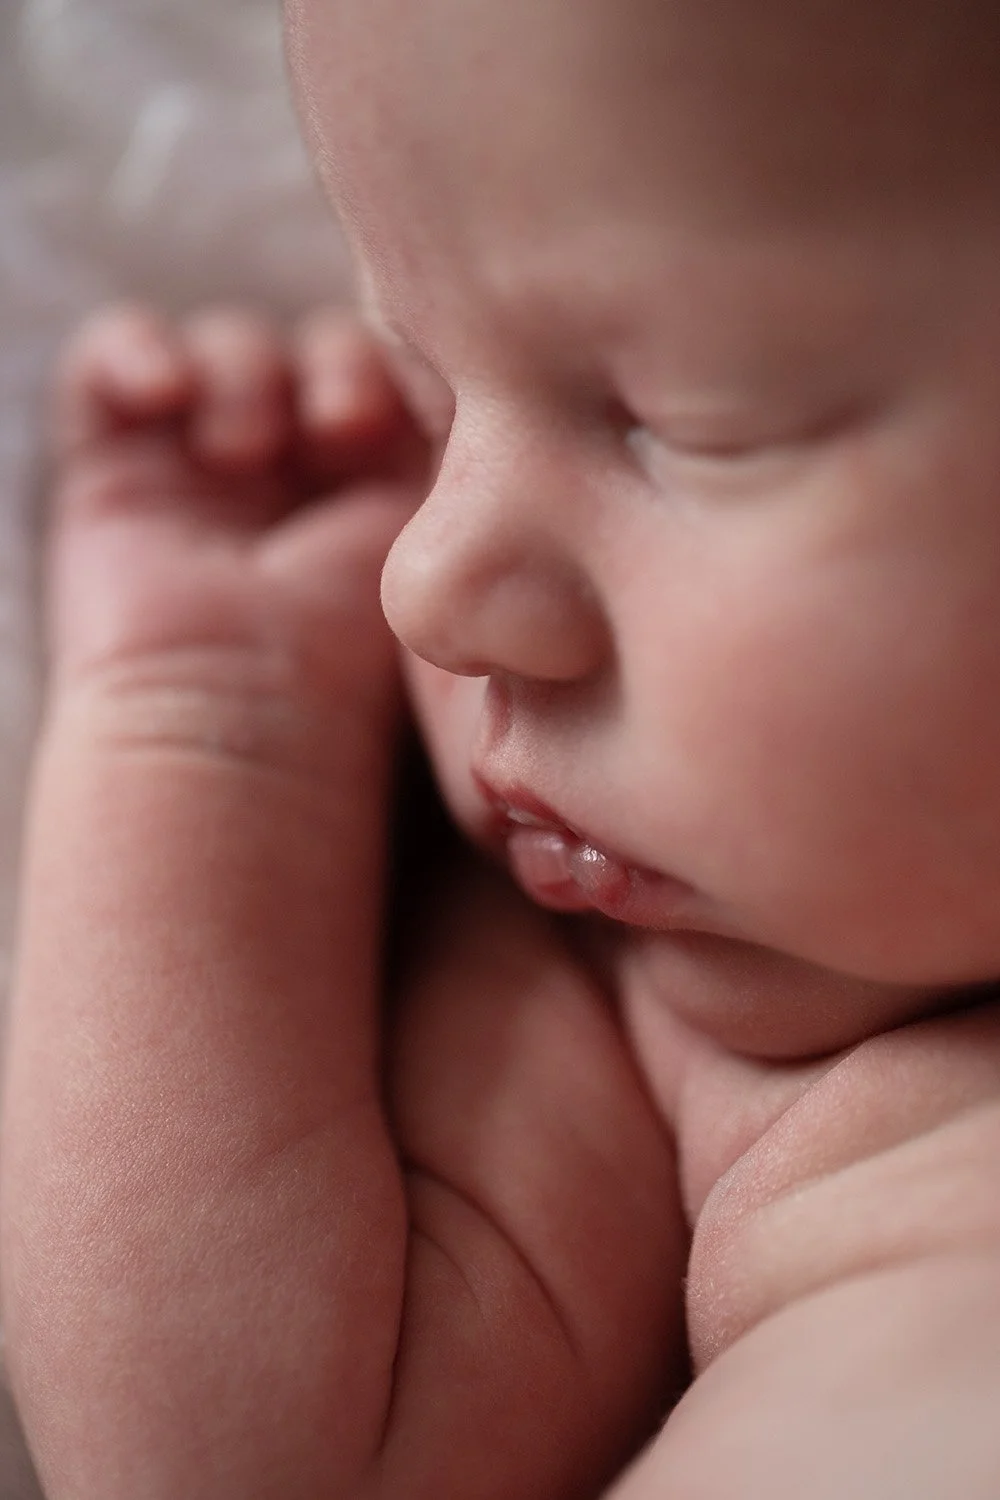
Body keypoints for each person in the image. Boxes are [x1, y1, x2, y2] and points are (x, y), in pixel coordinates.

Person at [4, 0, 1000, 1493]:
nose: (429, 585)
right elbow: (248, 1464)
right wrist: (205, 704)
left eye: (679, 424)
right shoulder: (685, 1051)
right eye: (427, 400)